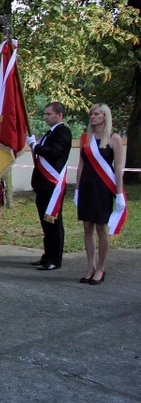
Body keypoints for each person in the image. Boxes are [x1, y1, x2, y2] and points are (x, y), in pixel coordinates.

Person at [75, 103, 125, 285]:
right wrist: (77, 189)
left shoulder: (114, 139)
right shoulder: (84, 138)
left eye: (97, 114)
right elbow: (80, 165)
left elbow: (119, 168)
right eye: (91, 114)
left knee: (101, 229)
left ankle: (101, 268)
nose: (93, 117)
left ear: (105, 116)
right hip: (87, 187)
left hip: (103, 188)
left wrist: (119, 193)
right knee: (87, 227)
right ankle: (90, 266)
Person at [26, 102, 73, 271]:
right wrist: (36, 145)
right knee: (46, 225)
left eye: (48, 114)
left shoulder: (63, 131)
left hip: (52, 186)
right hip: (43, 186)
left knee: (54, 224)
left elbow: (54, 152)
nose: (45, 117)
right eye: (45, 114)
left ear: (59, 115)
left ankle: (55, 259)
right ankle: (47, 256)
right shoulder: (50, 132)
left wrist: (35, 146)